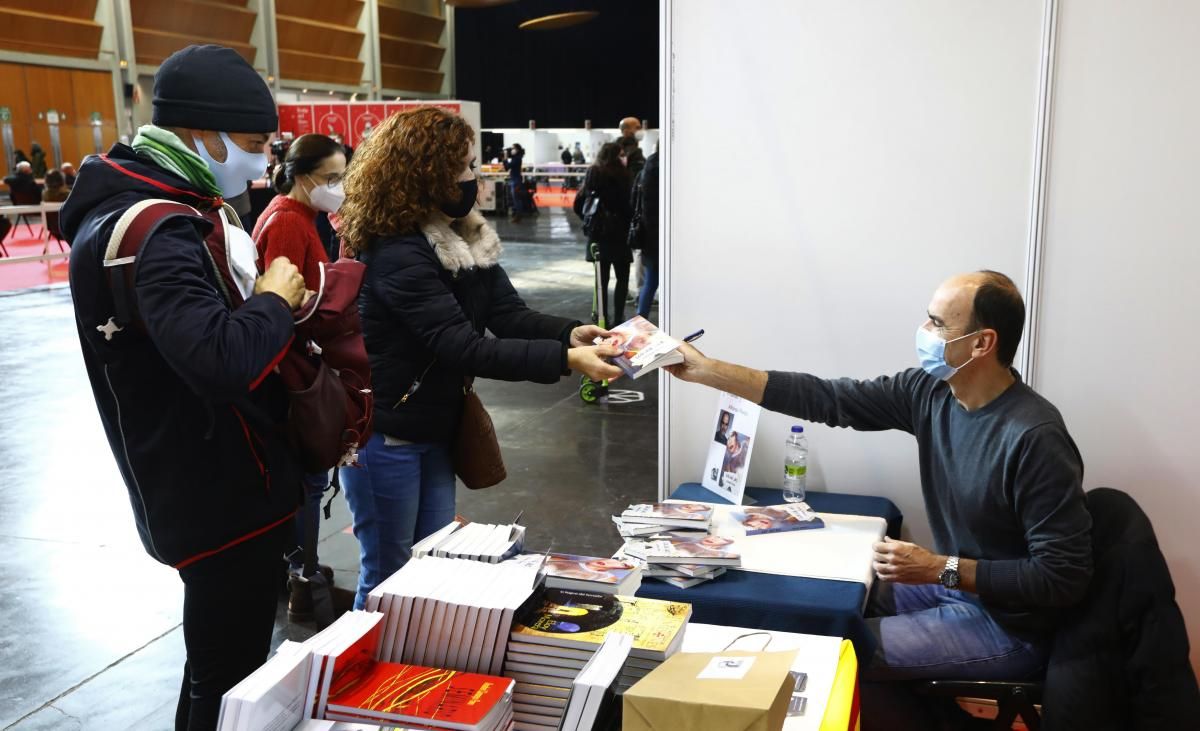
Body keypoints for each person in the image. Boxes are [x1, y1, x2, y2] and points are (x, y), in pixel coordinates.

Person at [666, 270, 1093, 729]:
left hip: (1010, 627)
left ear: (981, 344)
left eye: (937, 324)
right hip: (959, 589)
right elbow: (829, 399)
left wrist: (938, 568)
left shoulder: (1034, 437)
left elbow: (1063, 576)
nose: (924, 333)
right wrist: (708, 372)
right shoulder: (932, 393)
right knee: (824, 606)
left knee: (838, 651)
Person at [61, 44, 306, 731]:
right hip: (217, 495)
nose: (262, 161)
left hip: (203, 484)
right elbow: (221, 361)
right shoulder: (158, 230)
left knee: (217, 669)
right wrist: (275, 302)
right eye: (255, 145)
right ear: (202, 133)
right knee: (230, 678)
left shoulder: (154, 210)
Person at [336, 107, 624, 610]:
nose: (476, 176)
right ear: (427, 174)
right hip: (387, 436)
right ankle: (360, 677)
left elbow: (508, 314)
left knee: (434, 565)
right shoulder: (400, 254)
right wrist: (568, 360)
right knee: (386, 575)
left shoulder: (464, 237)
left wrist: (570, 333)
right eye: (465, 167)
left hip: (433, 428)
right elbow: (462, 347)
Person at [251, 132, 347, 622]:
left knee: (308, 482)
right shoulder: (288, 221)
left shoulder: (300, 216)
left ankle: (302, 570)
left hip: (299, 365)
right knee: (307, 483)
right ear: (303, 176)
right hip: (294, 372)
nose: (339, 187)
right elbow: (279, 302)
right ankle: (302, 576)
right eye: (331, 178)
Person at [576, 142, 634, 324]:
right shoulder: (626, 175)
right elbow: (630, 207)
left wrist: (591, 221)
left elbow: (579, 204)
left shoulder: (594, 172)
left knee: (601, 281)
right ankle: (619, 318)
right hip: (621, 234)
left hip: (598, 235)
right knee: (622, 278)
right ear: (617, 156)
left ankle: (602, 319)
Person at [635, 144, 659, 319]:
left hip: (647, 233)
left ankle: (640, 318)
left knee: (650, 279)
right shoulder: (663, 169)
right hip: (658, 236)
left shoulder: (645, 170)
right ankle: (640, 318)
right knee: (652, 280)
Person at [503, 142, 526, 222]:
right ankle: (517, 215)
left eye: (513, 148)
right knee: (515, 198)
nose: (512, 150)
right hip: (515, 180)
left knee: (516, 199)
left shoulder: (517, 158)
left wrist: (505, 158)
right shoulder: (516, 157)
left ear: (517, 149)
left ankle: (518, 216)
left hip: (516, 181)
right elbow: (507, 167)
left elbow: (507, 167)